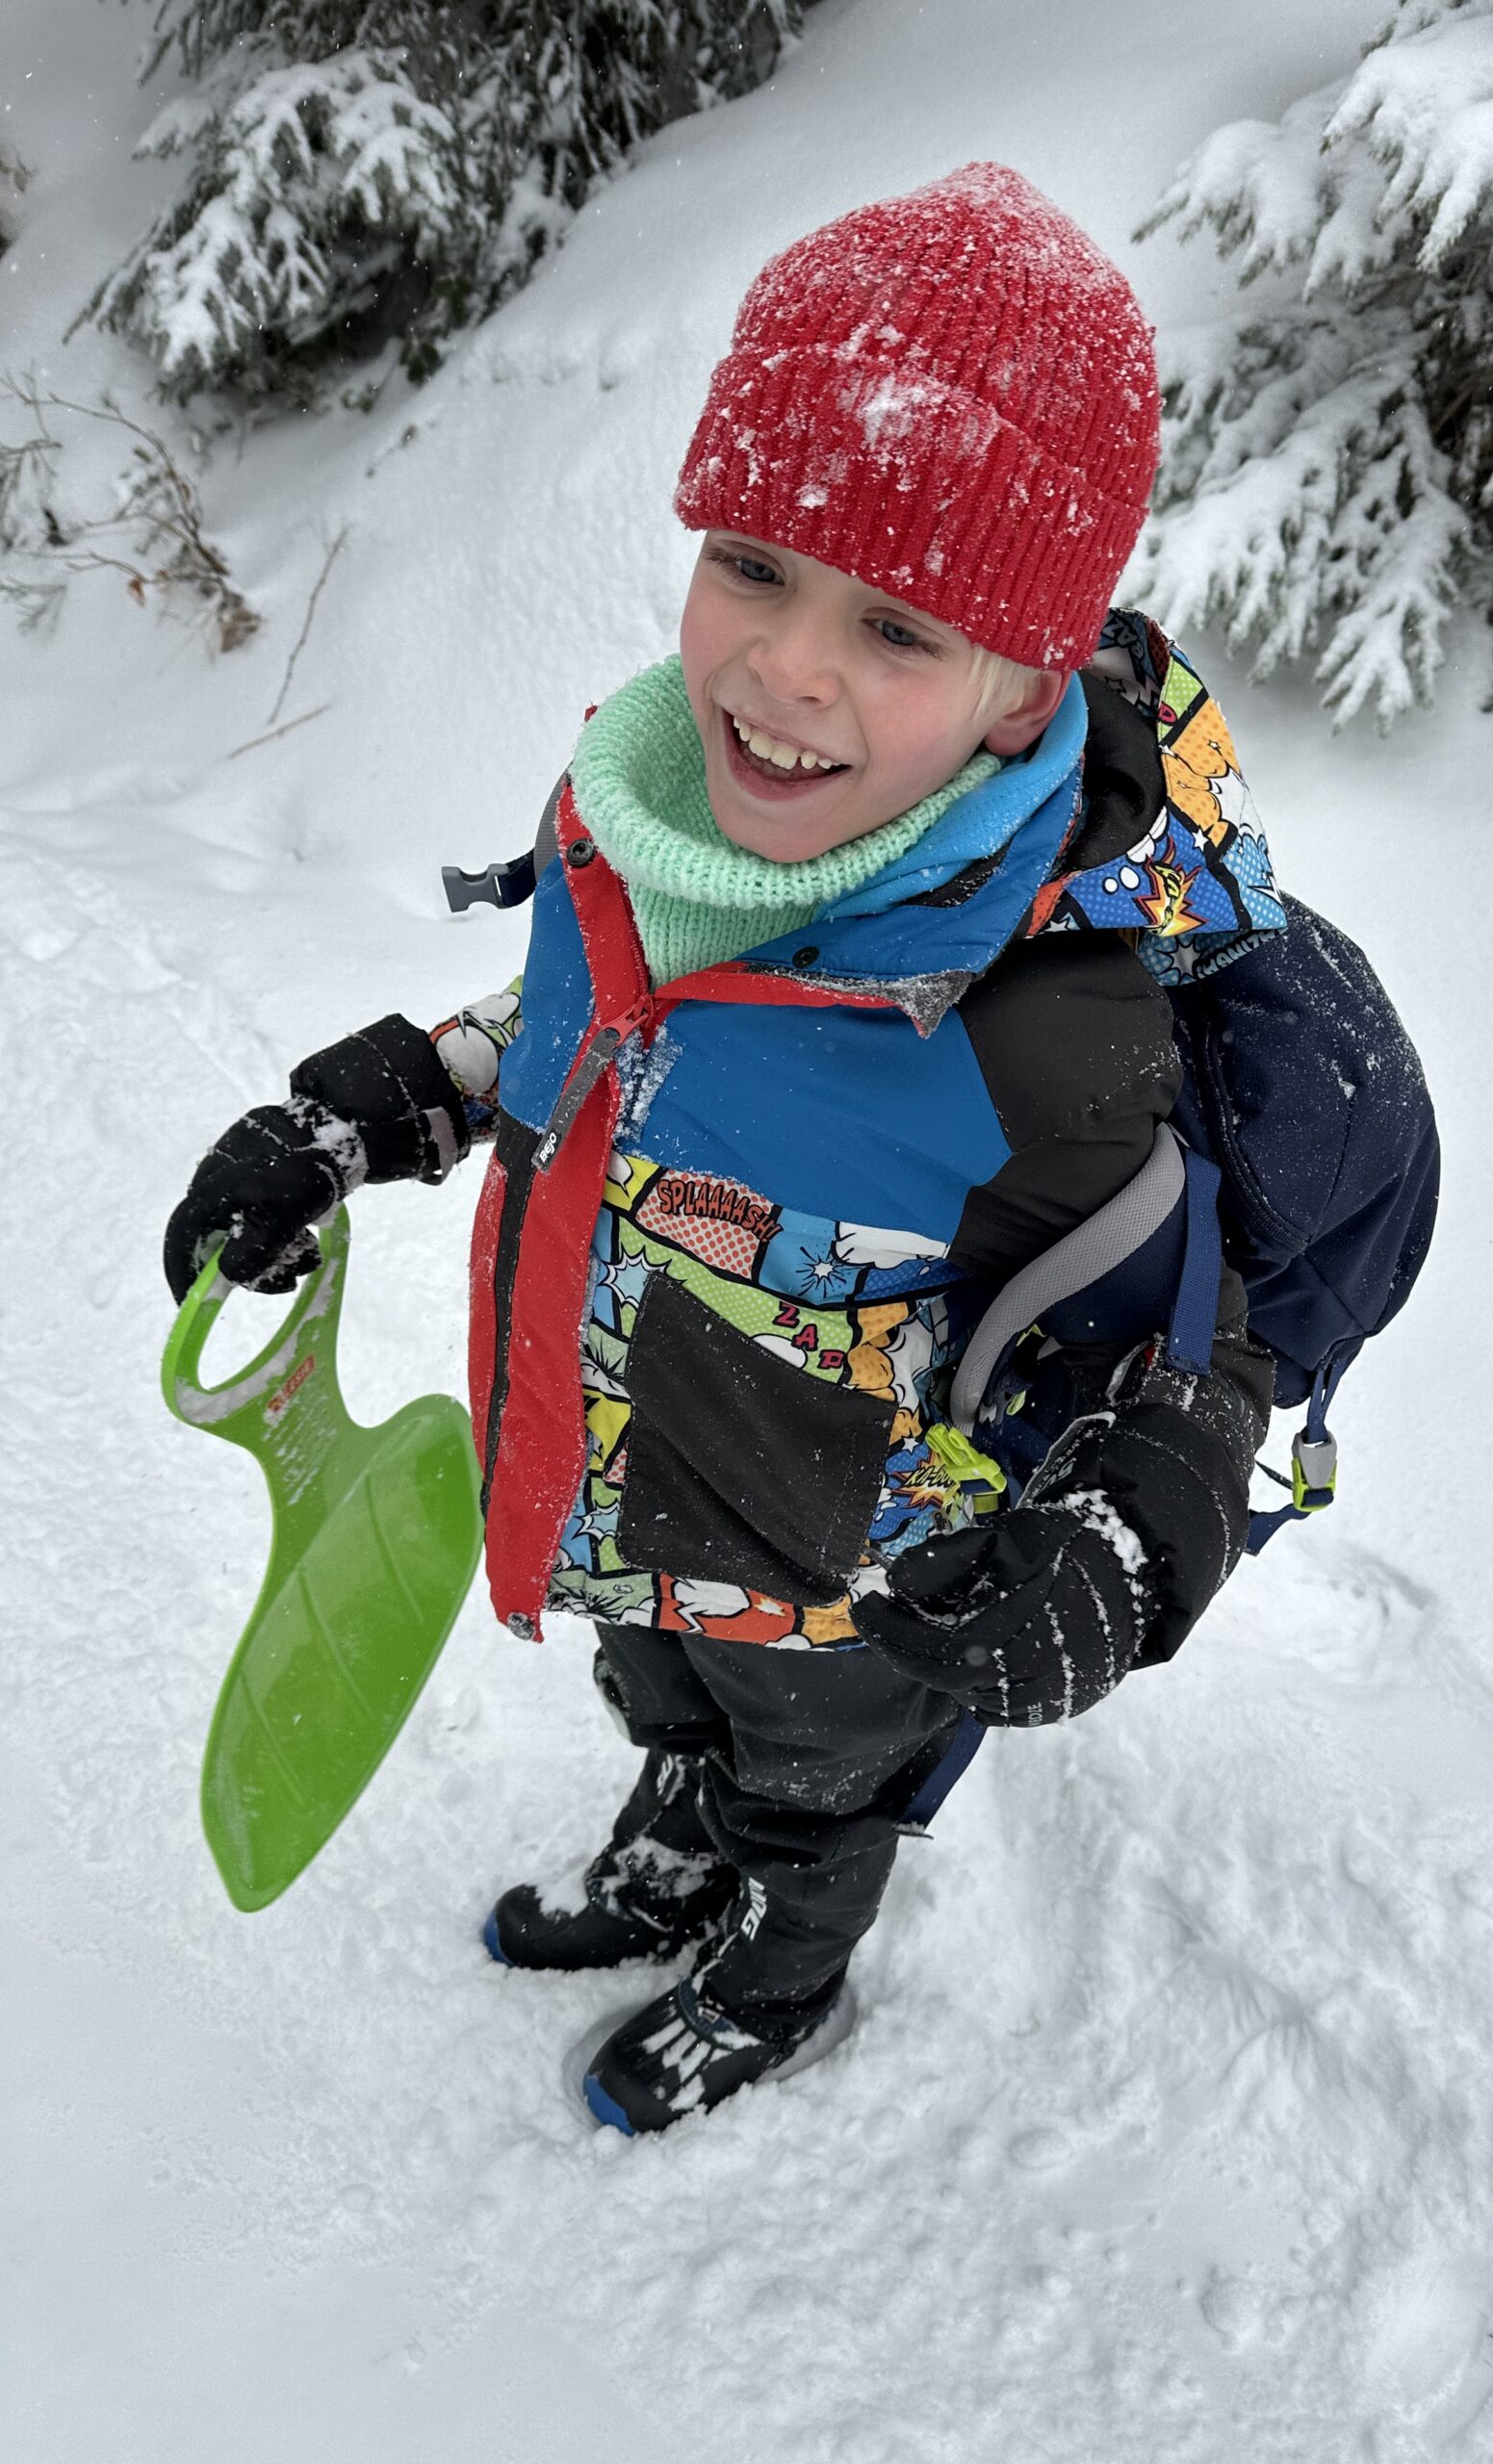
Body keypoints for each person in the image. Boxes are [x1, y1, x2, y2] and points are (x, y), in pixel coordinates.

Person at [164, 165, 1277, 2135]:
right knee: (659, 1693)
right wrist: (374, 1102)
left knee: (813, 1782)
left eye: (895, 625)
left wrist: (1127, 1538)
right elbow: (581, 1033)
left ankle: (784, 1966)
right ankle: (677, 1838)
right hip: (612, 1473)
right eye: (754, 564)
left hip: (850, 1577)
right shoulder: (639, 816)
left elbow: (1187, 1329)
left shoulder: (1029, 1014)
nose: (785, 669)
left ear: (1026, 685)